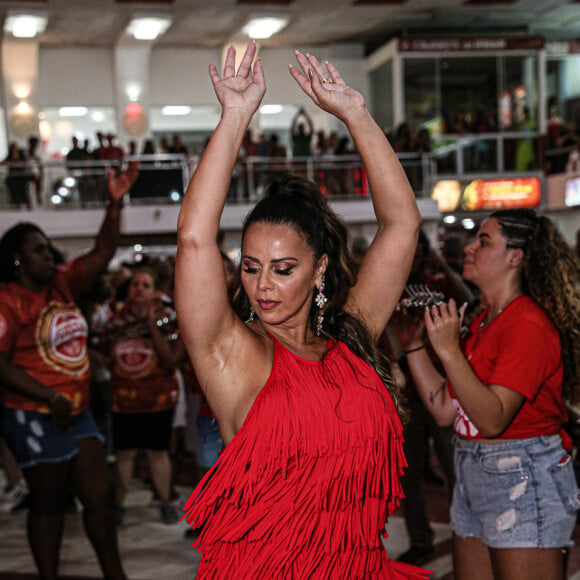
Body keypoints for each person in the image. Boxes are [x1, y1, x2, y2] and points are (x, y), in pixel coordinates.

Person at [176, 42, 428, 578]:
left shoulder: (353, 338)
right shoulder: (233, 355)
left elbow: (402, 224)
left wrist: (355, 113)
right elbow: (195, 239)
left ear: (318, 269)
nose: (262, 285)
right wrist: (235, 117)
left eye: (283, 269)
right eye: (250, 267)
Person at [396, 209, 580, 580]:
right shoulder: (481, 321)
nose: (468, 248)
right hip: (473, 470)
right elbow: (449, 412)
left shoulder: (527, 323)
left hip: (522, 477)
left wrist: (448, 350)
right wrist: (414, 346)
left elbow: (493, 419)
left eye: (484, 241)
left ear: (515, 257)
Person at [0, 161, 138, 580]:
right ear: (18, 260)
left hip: (75, 410)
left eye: (47, 248)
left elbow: (102, 253)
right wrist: (49, 396)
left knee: (100, 497)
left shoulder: (62, 282)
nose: (49, 254)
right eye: (38, 250)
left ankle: (116, 574)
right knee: (50, 502)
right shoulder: (7, 300)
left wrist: (114, 206)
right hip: (33, 411)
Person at [104, 267, 186, 525]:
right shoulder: (116, 319)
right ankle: (118, 505)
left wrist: (152, 325)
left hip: (157, 400)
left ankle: (165, 502)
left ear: (155, 292)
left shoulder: (169, 319)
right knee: (125, 454)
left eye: (145, 285)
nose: (138, 289)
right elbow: (105, 352)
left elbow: (172, 359)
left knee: (157, 453)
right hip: (124, 401)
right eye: (134, 284)